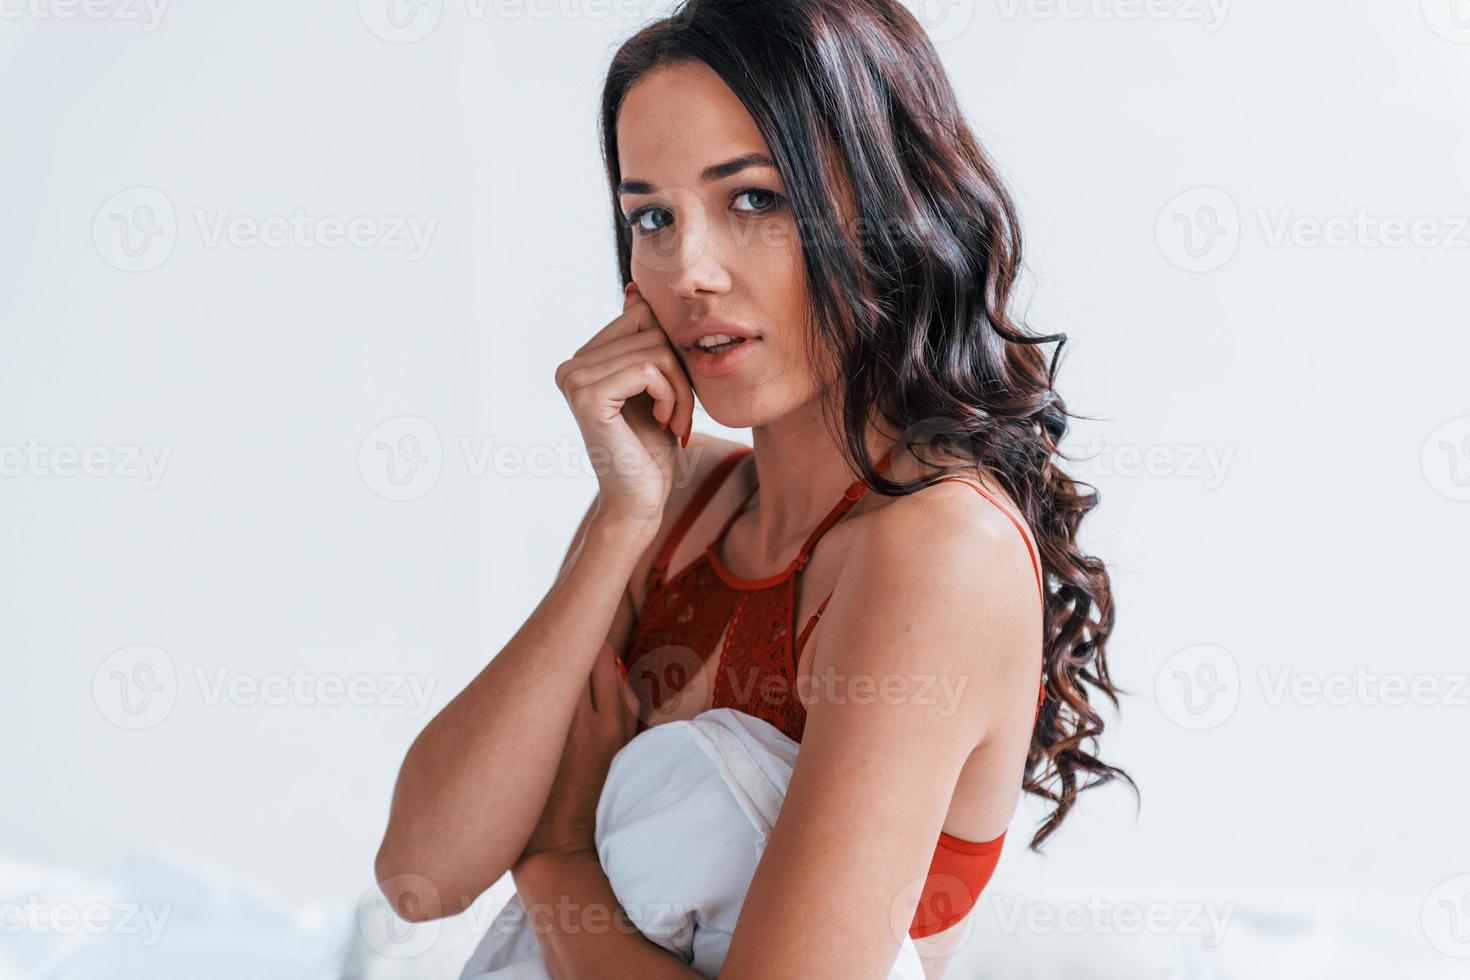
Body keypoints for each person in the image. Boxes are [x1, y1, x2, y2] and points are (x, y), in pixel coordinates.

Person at [376, 1, 1136, 976]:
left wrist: (558, 854)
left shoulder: (937, 548)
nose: (689, 270)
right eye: (652, 217)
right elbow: (418, 876)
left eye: (753, 200)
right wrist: (621, 519)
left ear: (883, 205)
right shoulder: (673, 505)